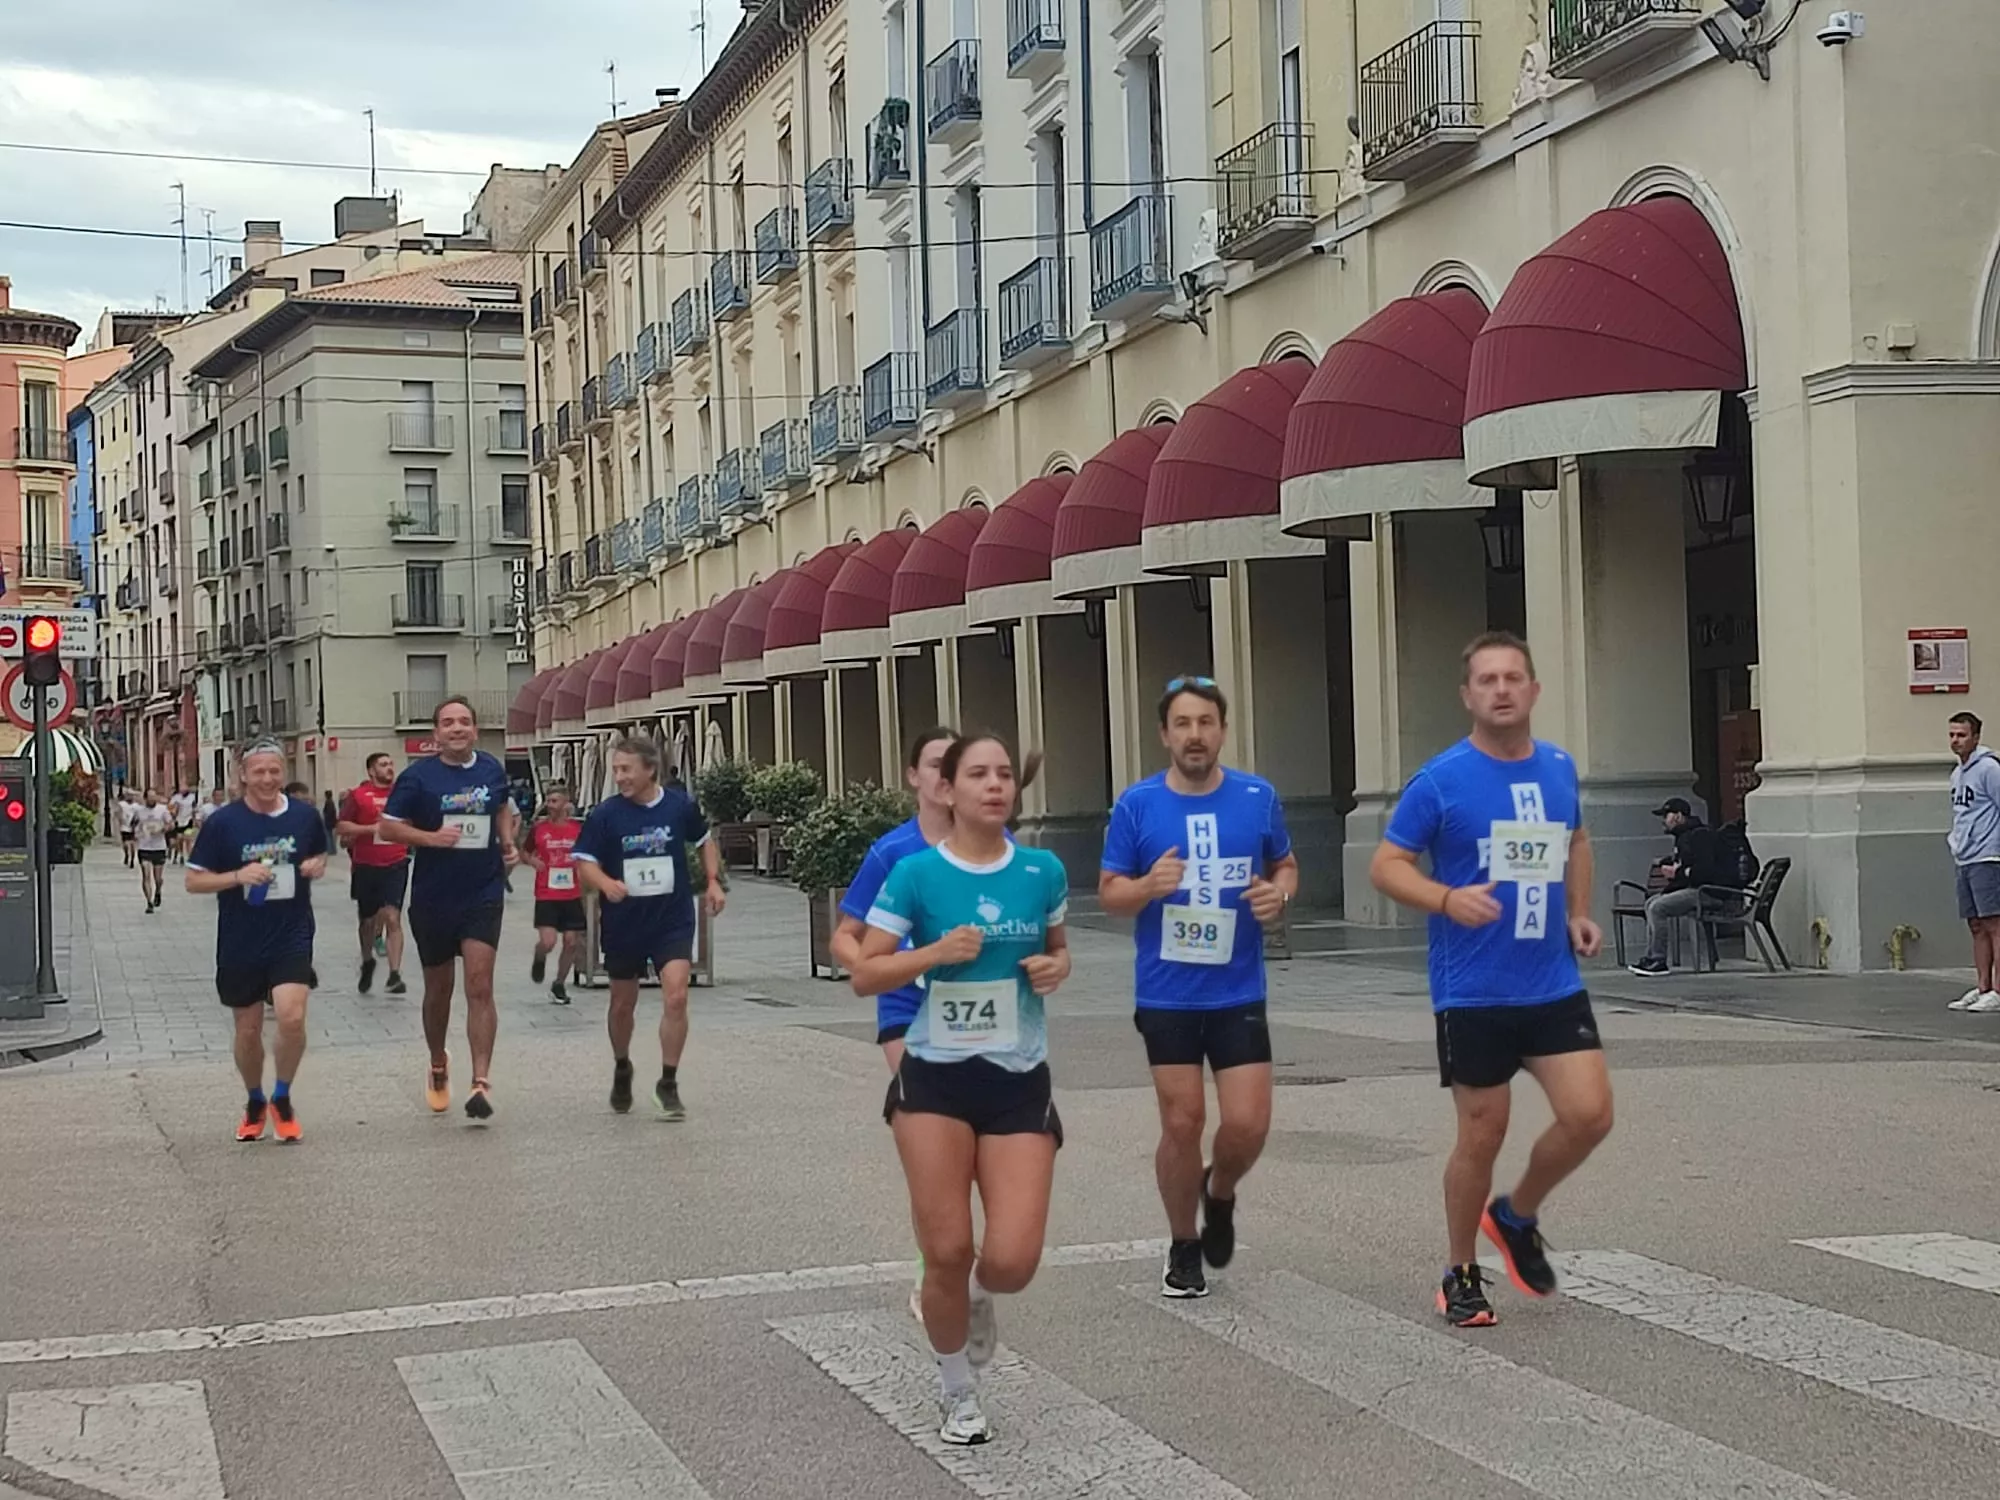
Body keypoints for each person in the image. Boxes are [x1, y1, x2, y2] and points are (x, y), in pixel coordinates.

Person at [1370, 631, 1613, 1329]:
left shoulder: (1559, 769)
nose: (1502, 689)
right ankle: (1460, 1270)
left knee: (1590, 1115)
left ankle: (1515, 1214)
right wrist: (1446, 899)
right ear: (1467, 696)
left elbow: (1576, 840)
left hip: (1550, 981)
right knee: (1484, 1131)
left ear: (1534, 690)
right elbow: (1387, 865)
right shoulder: (1441, 781)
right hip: (1472, 989)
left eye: (1513, 678)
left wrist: (1578, 912)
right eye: (1487, 680)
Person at [850, 732, 1070, 1446]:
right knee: (946, 1249)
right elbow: (865, 971)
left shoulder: (1042, 871)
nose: (995, 785)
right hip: (934, 1079)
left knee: (1010, 1259)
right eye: (978, 773)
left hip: (1016, 1076)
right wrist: (935, 953)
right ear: (948, 786)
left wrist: (1053, 971)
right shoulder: (916, 874)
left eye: (1004, 773)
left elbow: (1057, 952)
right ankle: (957, 1390)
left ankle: (975, 1298)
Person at [1098, 677, 1298, 1299]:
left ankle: (1220, 1190)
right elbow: (1110, 892)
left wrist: (1280, 894)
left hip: (1237, 989)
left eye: (1205, 722)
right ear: (1164, 735)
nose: (1194, 735)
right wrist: (1147, 887)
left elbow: (1284, 864)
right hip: (1168, 993)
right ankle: (1184, 1244)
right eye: (1182, 724)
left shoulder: (1257, 798)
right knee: (1183, 1122)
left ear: (1222, 731)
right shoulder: (1137, 806)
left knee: (1248, 1124)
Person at [832, 725, 960, 1318]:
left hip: (981, 1017)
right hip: (907, 1012)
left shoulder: (995, 846)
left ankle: (950, 1249)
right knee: (932, 1143)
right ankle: (933, 1265)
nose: (946, 775)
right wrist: (877, 969)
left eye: (956, 764)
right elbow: (845, 935)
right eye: (935, 764)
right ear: (913, 776)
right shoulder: (893, 852)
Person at [377, 696, 520, 1120]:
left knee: (479, 984)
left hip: (483, 890)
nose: (457, 729)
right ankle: (438, 1060)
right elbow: (387, 827)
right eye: (448, 723)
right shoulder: (418, 778)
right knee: (439, 990)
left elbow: (501, 810)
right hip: (434, 895)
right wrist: (431, 838)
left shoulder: (491, 769)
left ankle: (481, 1082)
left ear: (475, 730)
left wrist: (509, 843)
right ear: (435, 734)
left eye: (464, 722)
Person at [185, 741, 329, 1143]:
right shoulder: (223, 823)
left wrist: (318, 865)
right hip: (240, 939)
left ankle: (282, 1096)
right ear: (243, 776)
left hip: (292, 933)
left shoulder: (304, 817)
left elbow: (319, 855)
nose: (267, 779)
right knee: (247, 1032)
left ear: (283, 773)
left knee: (291, 1017)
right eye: (259, 772)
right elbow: (193, 880)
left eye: (274, 771)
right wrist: (237, 877)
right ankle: (254, 1100)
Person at [572, 739, 724, 1117]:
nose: (619, 776)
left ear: (649, 770)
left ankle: (668, 1082)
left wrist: (713, 880)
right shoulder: (606, 815)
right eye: (616, 769)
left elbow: (705, 840)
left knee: (676, 997)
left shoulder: (678, 806)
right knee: (623, 1005)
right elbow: (584, 861)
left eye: (626, 769)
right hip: (624, 921)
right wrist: (606, 884)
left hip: (671, 918)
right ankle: (622, 1065)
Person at [1626, 797, 1732, 977]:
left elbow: (1705, 871)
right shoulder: (1683, 837)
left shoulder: (1699, 835)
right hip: (1697, 890)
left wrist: (1678, 873)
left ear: (1678, 816)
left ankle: (1659, 960)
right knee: (1652, 903)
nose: (1663, 821)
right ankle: (1651, 956)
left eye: (1666, 815)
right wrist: (1672, 880)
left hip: (1710, 892)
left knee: (1658, 908)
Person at [336, 754, 410, 996]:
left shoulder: (401, 794)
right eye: (383, 765)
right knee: (368, 921)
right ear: (371, 771)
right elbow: (343, 826)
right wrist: (372, 830)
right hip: (366, 864)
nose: (389, 768)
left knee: (392, 917)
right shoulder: (358, 796)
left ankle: (395, 974)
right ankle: (368, 960)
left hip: (396, 862)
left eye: (391, 764)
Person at [1947, 712, 2000, 1012]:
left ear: (1976, 737)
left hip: (1987, 855)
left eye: (1962, 735)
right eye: (1952, 735)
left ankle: (1998, 989)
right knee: (1976, 924)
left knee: (1994, 922)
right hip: (1965, 856)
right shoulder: (1957, 774)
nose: (1956, 741)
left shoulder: (1989, 769)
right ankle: (1982, 986)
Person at [525, 783, 586, 1004]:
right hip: (547, 893)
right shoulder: (539, 829)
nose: (551, 806)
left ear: (565, 804)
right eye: (548, 801)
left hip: (571, 893)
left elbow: (589, 852)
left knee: (571, 942)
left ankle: (559, 984)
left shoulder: (577, 829)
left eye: (555, 801)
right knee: (549, 942)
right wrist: (532, 860)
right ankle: (540, 955)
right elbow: (524, 851)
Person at [133, 788, 174, 911]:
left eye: (154, 797)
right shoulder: (139, 811)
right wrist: (137, 833)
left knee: (158, 878)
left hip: (159, 847)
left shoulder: (162, 810)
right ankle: (149, 902)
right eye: (150, 797)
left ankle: (158, 890)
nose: (152, 800)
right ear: (145, 798)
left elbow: (171, 824)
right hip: (144, 847)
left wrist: (162, 829)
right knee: (146, 875)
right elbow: (134, 825)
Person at [116, 787, 139, 868]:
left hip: (133, 827)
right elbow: (118, 814)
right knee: (126, 844)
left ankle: (132, 859)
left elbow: (139, 815)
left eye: (132, 795)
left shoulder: (136, 806)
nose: (130, 797)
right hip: (124, 826)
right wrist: (120, 822)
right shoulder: (122, 804)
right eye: (128, 795)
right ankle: (126, 854)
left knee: (133, 844)